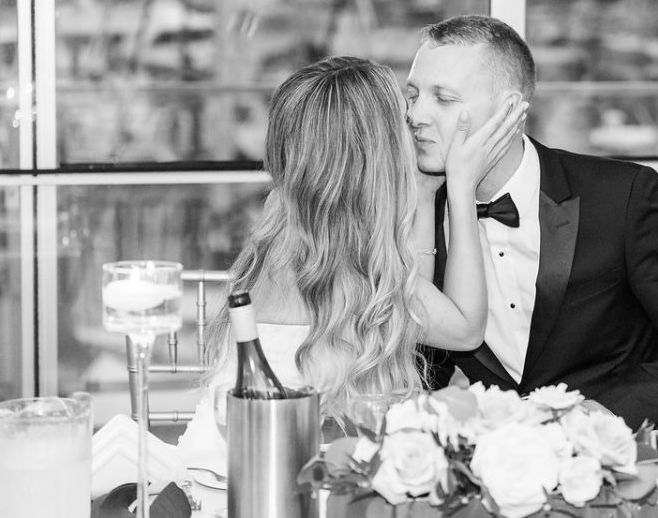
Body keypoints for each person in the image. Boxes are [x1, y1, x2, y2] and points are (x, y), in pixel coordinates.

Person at [177, 56, 525, 463]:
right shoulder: (351, 260)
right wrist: (462, 187)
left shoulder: (294, 220)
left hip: (236, 453)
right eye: (403, 116)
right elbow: (464, 330)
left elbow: (412, 296)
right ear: (378, 150)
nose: (414, 122)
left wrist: (425, 193)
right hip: (246, 475)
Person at [406, 15, 658, 428]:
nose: (416, 114)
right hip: (502, 459)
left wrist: (606, 416)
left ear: (508, 110)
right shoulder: (420, 213)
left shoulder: (620, 196)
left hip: (628, 454)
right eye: (413, 95)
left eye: (443, 99)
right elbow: (424, 366)